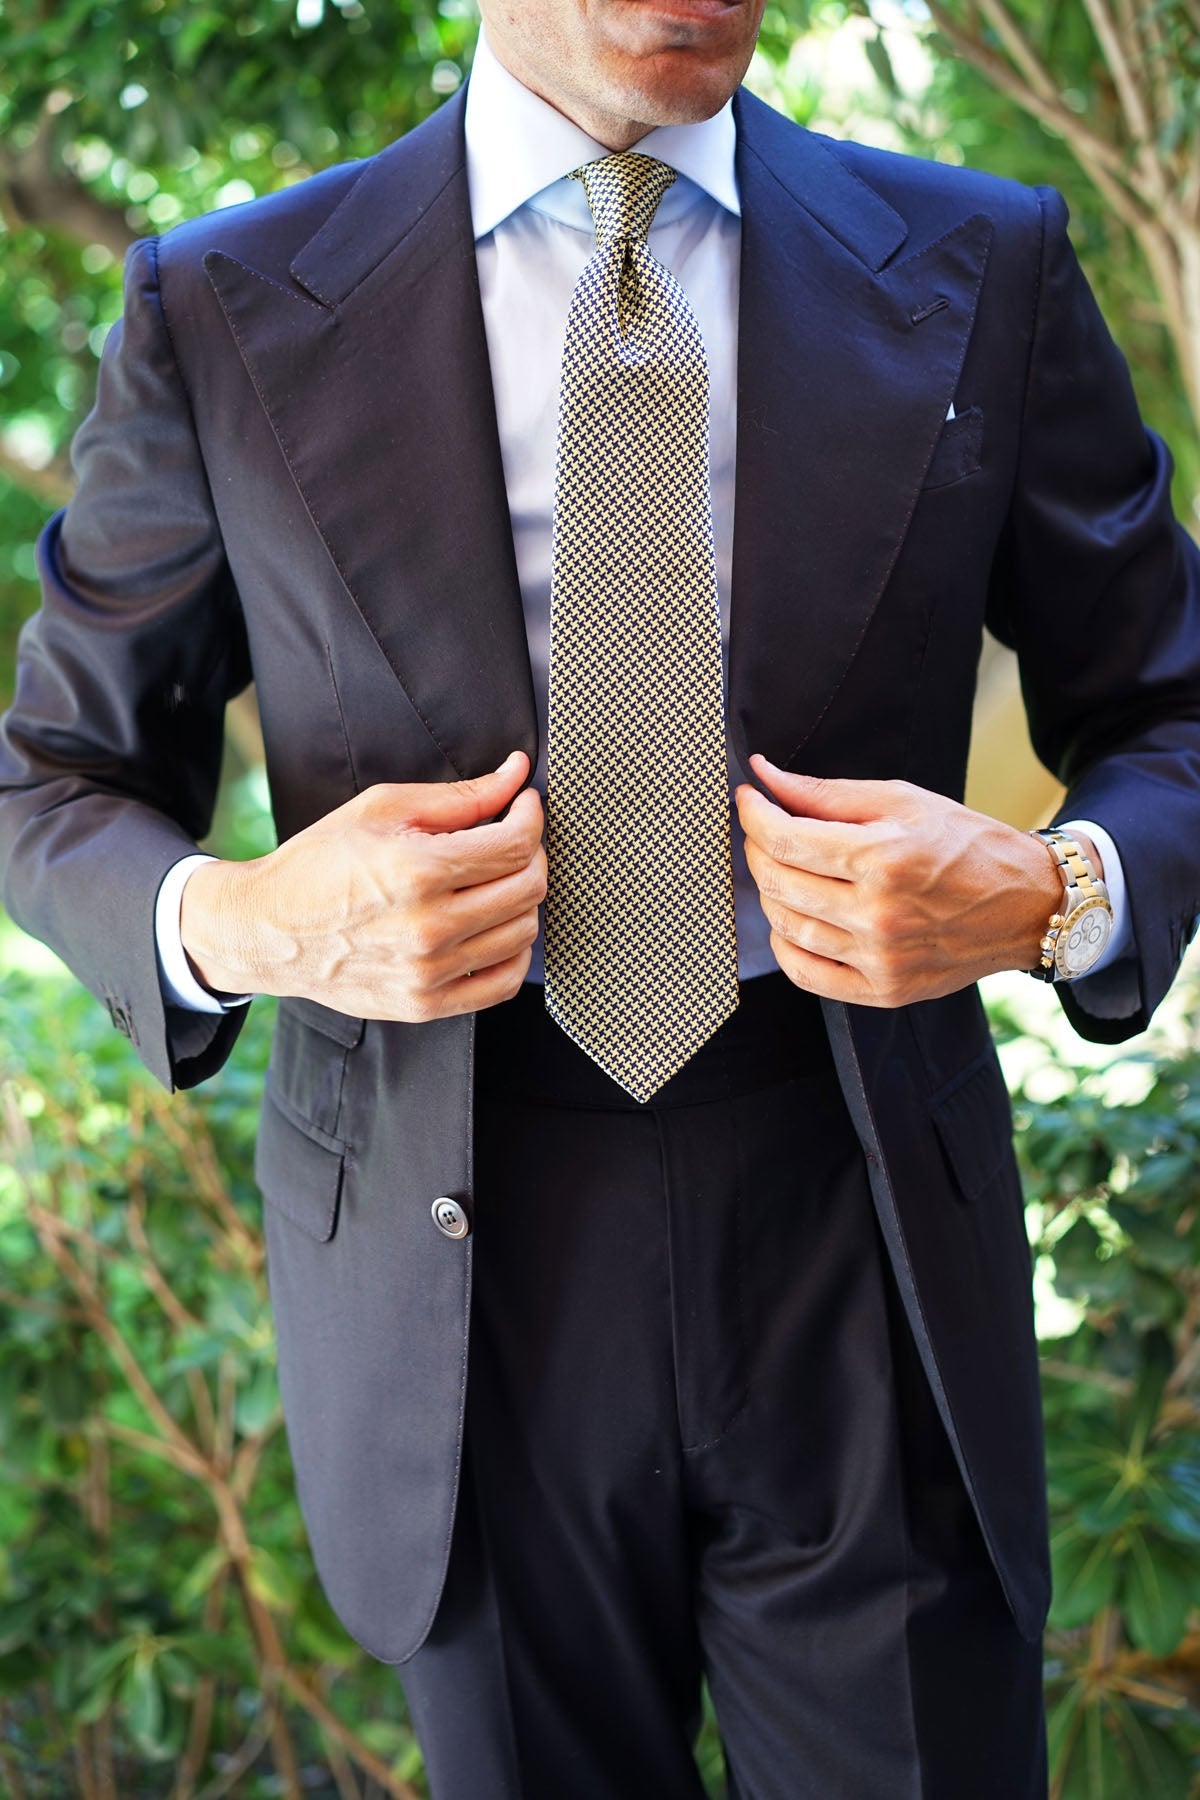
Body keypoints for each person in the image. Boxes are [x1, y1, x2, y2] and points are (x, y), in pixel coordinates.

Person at [3, 0, 1200, 1790]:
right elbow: (55, 778)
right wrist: (247, 923)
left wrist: (1056, 888)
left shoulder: (982, 262)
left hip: (858, 1226)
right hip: (454, 1276)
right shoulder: (226, 306)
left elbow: (1169, 705)